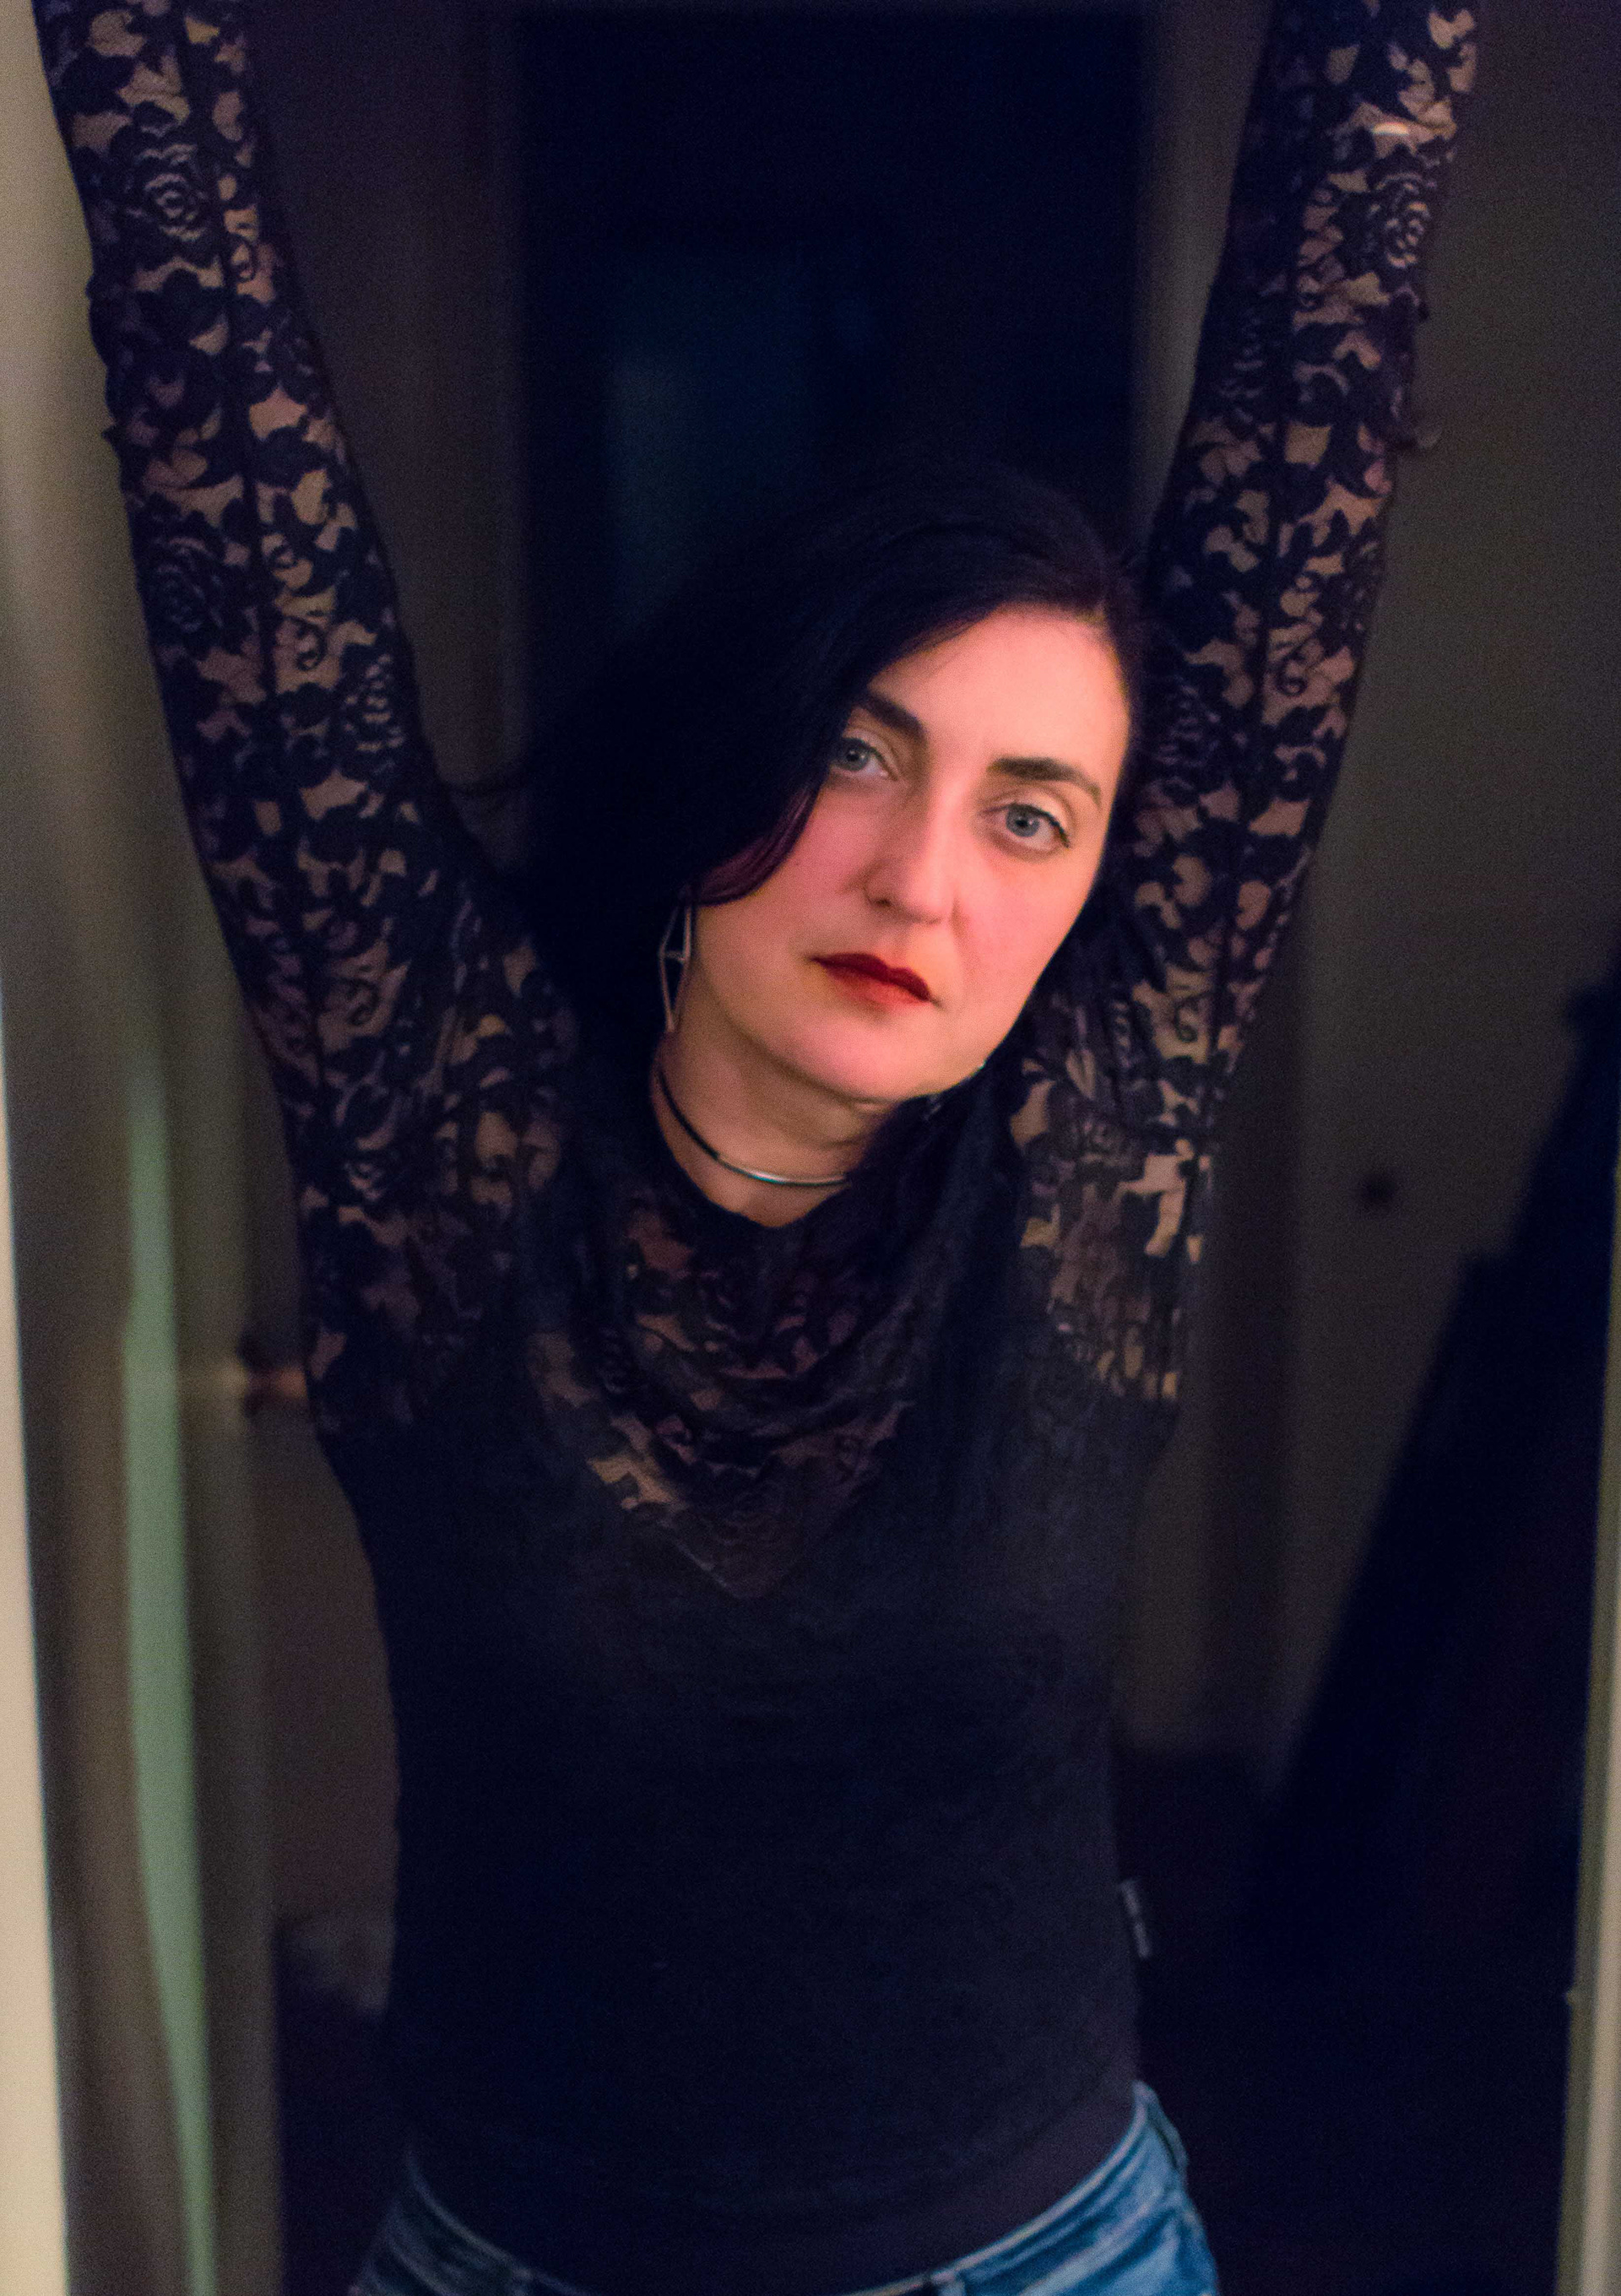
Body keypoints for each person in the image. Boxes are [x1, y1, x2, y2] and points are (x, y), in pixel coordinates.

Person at [30, 0, 1477, 2288]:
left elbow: (1321, 371)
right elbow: (220, 418)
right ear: (735, 746)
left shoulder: (1093, 1145)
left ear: (1106, 897)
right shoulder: (442, 1126)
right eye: (861, 756)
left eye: (1032, 816)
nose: (922, 881)